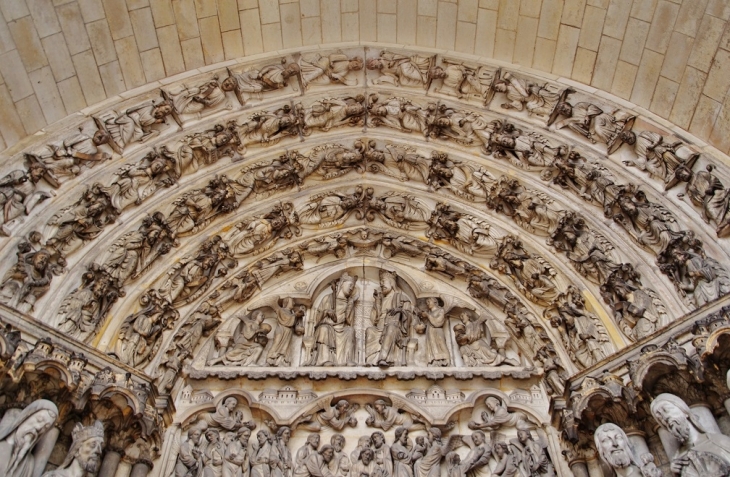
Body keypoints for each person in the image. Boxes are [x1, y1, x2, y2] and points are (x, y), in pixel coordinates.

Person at [650, 393, 730, 476]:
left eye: (666, 410)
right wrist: (676, 474)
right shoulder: (678, 459)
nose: (665, 417)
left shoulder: (720, 441)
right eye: (660, 417)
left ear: (684, 411)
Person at [0, 399, 58, 477]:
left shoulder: (29, 465)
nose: (39, 427)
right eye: (39, 419)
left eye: (46, 427)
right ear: (28, 415)